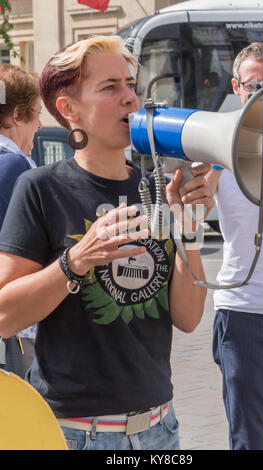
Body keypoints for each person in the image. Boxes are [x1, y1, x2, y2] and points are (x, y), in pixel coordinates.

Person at [0, 35, 213, 450]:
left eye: (131, 84)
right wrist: (75, 261)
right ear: (68, 109)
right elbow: (5, 315)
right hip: (76, 433)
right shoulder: (40, 188)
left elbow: (187, 318)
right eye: (110, 87)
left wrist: (189, 224)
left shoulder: (155, 188)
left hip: (158, 428)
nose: (130, 99)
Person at [206, 42, 263, 450]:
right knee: (248, 439)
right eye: (253, 85)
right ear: (236, 87)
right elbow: (188, 215)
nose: (262, 95)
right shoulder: (216, 143)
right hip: (243, 313)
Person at [0, 64, 42, 376]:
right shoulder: (16, 166)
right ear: (16, 115)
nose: (40, 124)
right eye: (36, 113)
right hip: (16, 328)